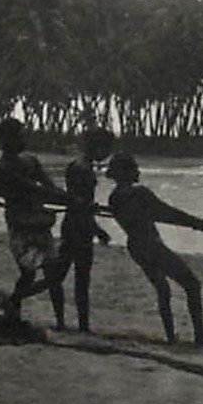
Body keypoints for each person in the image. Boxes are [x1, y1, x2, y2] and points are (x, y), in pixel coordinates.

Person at [104, 152, 203, 346]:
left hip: (135, 245)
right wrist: (197, 223)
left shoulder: (114, 197)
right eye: (134, 168)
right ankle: (200, 336)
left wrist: (194, 223)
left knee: (163, 290)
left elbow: (156, 214)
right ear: (125, 172)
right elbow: (167, 212)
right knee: (192, 284)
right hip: (150, 244)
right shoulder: (139, 193)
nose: (138, 171)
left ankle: (171, 337)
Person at [0, 117, 71, 325]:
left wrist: (67, 198)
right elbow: (32, 189)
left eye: (22, 134)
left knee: (52, 276)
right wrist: (62, 197)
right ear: (5, 140)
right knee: (29, 275)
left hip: (39, 223)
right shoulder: (0, 169)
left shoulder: (30, 160)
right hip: (21, 227)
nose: (22, 138)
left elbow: (48, 186)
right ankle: (13, 308)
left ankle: (60, 322)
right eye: (18, 136)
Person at [58, 128, 116, 334]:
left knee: (61, 275)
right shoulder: (83, 169)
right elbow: (80, 206)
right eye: (106, 148)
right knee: (78, 278)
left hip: (74, 223)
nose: (107, 153)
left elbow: (79, 204)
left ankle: (66, 323)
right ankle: (81, 326)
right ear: (96, 147)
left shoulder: (80, 166)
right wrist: (97, 230)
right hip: (79, 226)